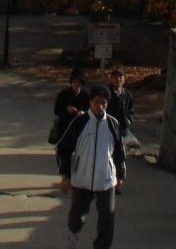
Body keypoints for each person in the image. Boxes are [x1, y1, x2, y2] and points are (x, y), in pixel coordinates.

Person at [56, 84, 126, 249]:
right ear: (90, 102)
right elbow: (63, 149)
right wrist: (65, 175)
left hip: (106, 180)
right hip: (82, 179)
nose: (100, 106)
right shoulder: (80, 123)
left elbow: (119, 152)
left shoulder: (112, 124)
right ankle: (73, 233)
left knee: (107, 218)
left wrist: (120, 175)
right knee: (76, 218)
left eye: (103, 103)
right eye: (97, 102)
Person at [53, 68, 91, 142]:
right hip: (65, 128)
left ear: (82, 83)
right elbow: (56, 110)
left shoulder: (87, 96)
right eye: (75, 82)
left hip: (81, 128)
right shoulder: (63, 95)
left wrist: (83, 113)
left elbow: (91, 110)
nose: (77, 84)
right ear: (71, 82)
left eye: (79, 82)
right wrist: (66, 109)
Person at [104, 68, 134, 140]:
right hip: (108, 127)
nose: (118, 79)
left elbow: (131, 109)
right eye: (115, 77)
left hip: (123, 128)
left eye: (120, 77)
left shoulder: (127, 94)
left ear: (124, 79)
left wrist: (129, 119)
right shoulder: (106, 92)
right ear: (111, 79)